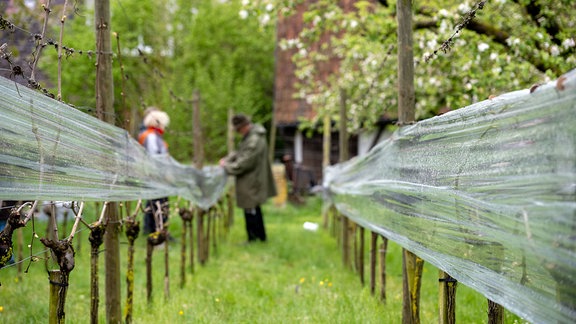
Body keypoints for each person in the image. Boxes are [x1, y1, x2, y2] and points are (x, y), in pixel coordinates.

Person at [219, 114, 277, 242]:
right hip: (251, 178)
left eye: (239, 130)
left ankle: (254, 238)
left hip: (252, 179)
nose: (239, 133)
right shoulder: (250, 137)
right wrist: (227, 160)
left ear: (245, 126)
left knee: (251, 208)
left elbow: (245, 161)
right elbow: (240, 152)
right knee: (252, 208)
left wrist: (227, 167)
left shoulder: (254, 140)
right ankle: (259, 237)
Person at [138, 108, 170, 234]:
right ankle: (158, 230)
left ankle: (151, 229)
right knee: (159, 203)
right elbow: (155, 156)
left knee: (154, 202)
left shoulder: (153, 135)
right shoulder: (151, 136)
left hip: (154, 174)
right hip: (155, 175)